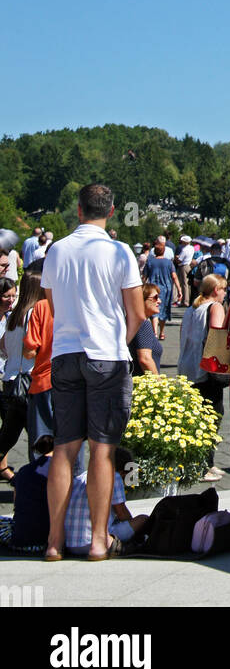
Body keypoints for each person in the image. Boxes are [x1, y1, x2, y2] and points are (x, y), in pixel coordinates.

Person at [41, 183, 144, 562]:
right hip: (106, 355)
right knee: (102, 450)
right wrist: (119, 341)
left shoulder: (57, 250)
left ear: (79, 209)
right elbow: (137, 313)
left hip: (66, 353)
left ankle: (54, 541)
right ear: (111, 211)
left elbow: (53, 306)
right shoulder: (119, 251)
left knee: (64, 449)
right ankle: (99, 540)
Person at [177, 273, 227, 482]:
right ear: (216, 290)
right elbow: (217, 335)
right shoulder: (215, 307)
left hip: (187, 366)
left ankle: (205, 462)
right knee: (213, 414)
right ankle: (202, 466)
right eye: (223, 289)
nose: (225, 294)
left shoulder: (191, 309)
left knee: (196, 415)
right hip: (205, 369)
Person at [63, 446, 149, 557]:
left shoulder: (79, 478)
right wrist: (134, 526)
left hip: (70, 545)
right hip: (95, 542)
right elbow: (122, 514)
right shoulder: (114, 476)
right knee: (143, 519)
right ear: (123, 472)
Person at [0, 268, 42, 478]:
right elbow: (31, 350)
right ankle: (37, 477)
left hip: (11, 379)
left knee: (9, 434)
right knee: (36, 434)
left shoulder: (14, 316)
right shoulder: (33, 314)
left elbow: (3, 346)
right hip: (27, 380)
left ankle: (35, 476)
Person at [22, 274, 56, 455]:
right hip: (77, 380)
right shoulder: (82, 305)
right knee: (72, 443)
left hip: (45, 380)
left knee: (42, 445)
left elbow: (30, 351)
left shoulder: (42, 307)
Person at [143, 236, 182, 340]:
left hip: (153, 288)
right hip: (165, 288)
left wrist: (142, 287)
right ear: (164, 251)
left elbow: (144, 277)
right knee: (163, 310)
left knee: (154, 309)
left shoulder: (150, 262)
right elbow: (174, 276)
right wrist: (179, 289)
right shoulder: (169, 263)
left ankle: (154, 332)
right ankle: (162, 332)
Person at [129, 285, 163, 375]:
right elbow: (145, 359)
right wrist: (158, 381)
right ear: (141, 300)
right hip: (142, 380)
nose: (159, 301)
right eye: (155, 298)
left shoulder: (132, 321)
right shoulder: (143, 324)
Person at [175, 235, 195, 307]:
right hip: (189, 265)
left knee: (184, 284)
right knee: (188, 284)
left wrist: (176, 258)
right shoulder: (192, 248)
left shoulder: (184, 250)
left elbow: (180, 260)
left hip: (183, 266)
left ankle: (185, 301)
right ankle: (188, 300)